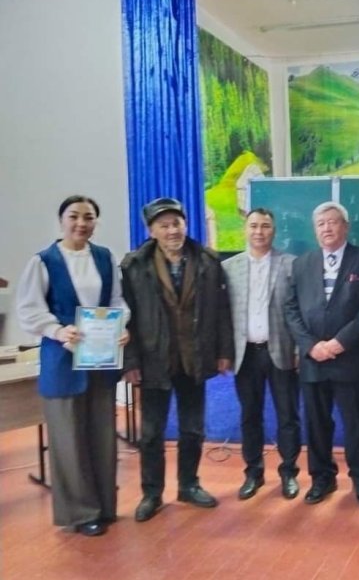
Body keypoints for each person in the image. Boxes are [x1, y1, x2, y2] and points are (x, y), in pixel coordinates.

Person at [16, 195, 130, 537]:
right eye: (74, 216)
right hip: (62, 361)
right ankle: (81, 513)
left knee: (102, 435)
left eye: (89, 217)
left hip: (100, 360)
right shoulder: (43, 261)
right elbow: (30, 310)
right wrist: (57, 330)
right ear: (61, 220)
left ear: (96, 221)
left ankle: (104, 506)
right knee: (68, 439)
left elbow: (117, 301)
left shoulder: (104, 257)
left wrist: (120, 326)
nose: (81, 223)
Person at [121, 197, 234, 522]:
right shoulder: (134, 266)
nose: (172, 231)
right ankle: (151, 493)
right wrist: (130, 362)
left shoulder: (207, 261)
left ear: (186, 224)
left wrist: (224, 352)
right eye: (164, 225)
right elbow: (126, 318)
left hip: (194, 358)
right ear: (151, 231)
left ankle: (189, 485)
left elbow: (221, 310)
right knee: (151, 433)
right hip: (153, 360)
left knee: (193, 428)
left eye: (177, 223)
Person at [284, 202, 359, 506]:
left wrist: (340, 342)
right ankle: (322, 478)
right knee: (316, 423)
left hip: (352, 357)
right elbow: (291, 309)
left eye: (333, 222)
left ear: (345, 226)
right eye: (321, 223)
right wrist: (311, 346)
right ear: (315, 230)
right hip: (313, 359)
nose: (327, 228)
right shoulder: (301, 264)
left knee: (356, 423)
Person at [223, 208, 301, 501]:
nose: (259, 232)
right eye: (254, 226)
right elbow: (222, 315)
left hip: (281, 351)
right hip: (245, 354)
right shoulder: (228, 268)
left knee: (288, 417)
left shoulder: (291, 264)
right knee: (250, 416)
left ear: (274, 230)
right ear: (245, 229)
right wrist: (224, 353)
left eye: (265, 226)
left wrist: (298, 349)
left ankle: (289, 472)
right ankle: (253, 473)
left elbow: (300, 312)